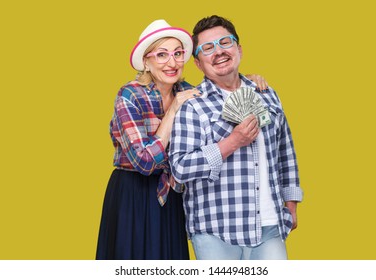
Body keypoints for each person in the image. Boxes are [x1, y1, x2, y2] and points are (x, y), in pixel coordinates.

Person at [96, 19, 269, 260]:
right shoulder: (129, 95)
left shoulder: (188, 91)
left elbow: (219, 91)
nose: (172, 62)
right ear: (146, 61)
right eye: (162, 55)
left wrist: (246, 80)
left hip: (171, 194)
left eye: (178, 54)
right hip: (133, 194)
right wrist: (173, 110)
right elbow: (144, 162)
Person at [169, 15, 303, 260]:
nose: (218, 52)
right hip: (216, 231)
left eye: (225, 42)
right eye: (207, 48)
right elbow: (179, 169)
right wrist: (232, 143)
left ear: (239, 49)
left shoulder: (267, 94)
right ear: (198, 63)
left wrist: (291, 202)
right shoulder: (193, 105)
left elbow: (286, 150)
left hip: (270, 226)